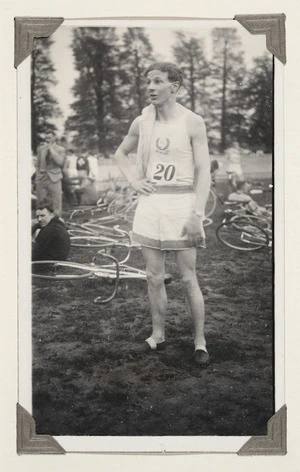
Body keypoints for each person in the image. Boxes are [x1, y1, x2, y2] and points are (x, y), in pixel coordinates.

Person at [115, 62, 211, 366]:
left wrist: (197, 212)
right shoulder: (142, 122)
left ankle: (200, 341)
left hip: (182, 204)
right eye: (148, 82)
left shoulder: (193, 122)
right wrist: (133, 180)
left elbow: (204, 169)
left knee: (187, 277)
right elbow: (120, 153)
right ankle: (158, 335)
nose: (151, 87)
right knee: (154, 276)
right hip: (150, 204)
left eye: (158, 81)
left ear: (176, 87)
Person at [35, 135, 67, 217]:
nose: (47, 138)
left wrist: (51, 149)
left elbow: (60, 163)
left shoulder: (61, 149)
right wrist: (38, 176)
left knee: (56, 203)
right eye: (46, 137)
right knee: (41, 202)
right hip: (42, 178)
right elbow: (38, 164)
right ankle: (42, 223)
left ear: (54, 138)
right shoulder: (40, 149)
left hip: (55, 178)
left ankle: (56, 223)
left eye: (50, 137)